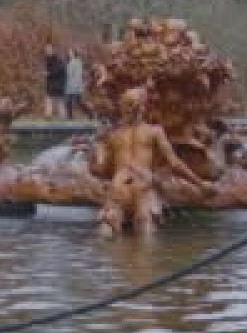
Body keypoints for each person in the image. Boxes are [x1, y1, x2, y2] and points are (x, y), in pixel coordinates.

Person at [90, 86, 212, 236]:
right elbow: (175, 163)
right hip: (142, 189)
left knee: (107, 238)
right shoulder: (154, 131)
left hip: (119, 189)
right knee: (146, 245)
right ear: (143, 108)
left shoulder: (114, 136)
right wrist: (200, 184)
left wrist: (95, 150)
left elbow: (102, 171)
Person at [64, 48, 93, 120]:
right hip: (70, 86)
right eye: (69, 52)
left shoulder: (77, 63)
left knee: (78, 103)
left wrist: (77, 85)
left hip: (75, 87)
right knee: (68, 102)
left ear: (74, 53)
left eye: (70, 52)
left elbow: (77, 75)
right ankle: (69, 117)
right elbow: (68, 74)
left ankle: (90, 113)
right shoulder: (70, 62)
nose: (69, 53)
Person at [43, 45, 66, 119]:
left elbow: (60, 70)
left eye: (48, 50)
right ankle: (48, 117)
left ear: (52, 50)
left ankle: (62, 119)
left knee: (59, 103)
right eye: (46, 50)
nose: (46, 52)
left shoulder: (58, 60)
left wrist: (49, 73)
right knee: (49, 101)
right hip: (51, 85)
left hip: (58, 85)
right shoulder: (48, 60)